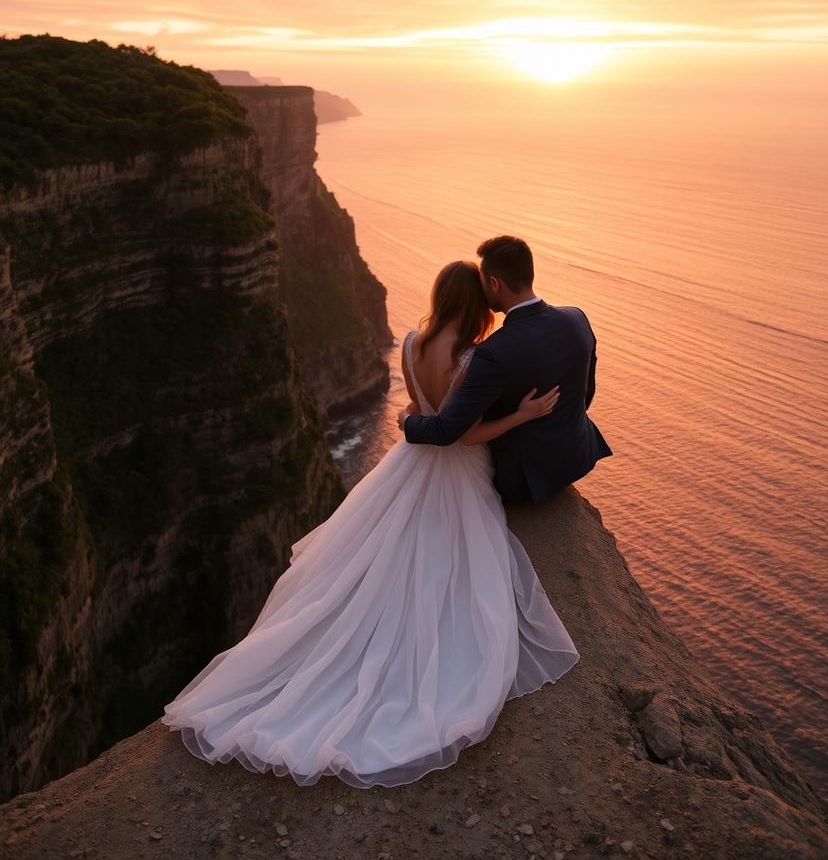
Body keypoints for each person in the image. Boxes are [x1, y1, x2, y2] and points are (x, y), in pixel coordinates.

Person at [161, 258, 579, 788]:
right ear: (476, 302)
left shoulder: (409, 344)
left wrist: (411, 419)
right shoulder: (474, 357)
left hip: (407, 465)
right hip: (457, 470)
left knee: (378, 552)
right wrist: (523, 415)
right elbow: (461, 434)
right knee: (450, 568)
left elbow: (415, 408)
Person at [400, 235, 612, 504]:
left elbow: (448, 430)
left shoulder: (493, 351)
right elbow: (585, 394)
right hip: (576, 457)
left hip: (525, 480)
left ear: (494, 284)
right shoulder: (577, 318)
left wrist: (408, 422)